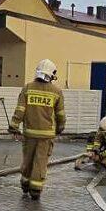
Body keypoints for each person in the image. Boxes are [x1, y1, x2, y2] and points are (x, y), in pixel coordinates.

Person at [9, 59, 66, 200]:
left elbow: (20, 110)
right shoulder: (57, 92)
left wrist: (14, 126)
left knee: (27, 160)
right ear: (51, 74)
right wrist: (60, 129)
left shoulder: (28, 88)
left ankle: (25, 185)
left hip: (29, 134)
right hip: (46, 135)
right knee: (40, 163)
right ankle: (35, 190)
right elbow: (60, 115)